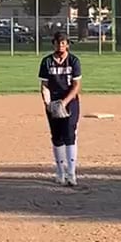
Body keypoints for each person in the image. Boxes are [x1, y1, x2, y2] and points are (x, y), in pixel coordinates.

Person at [39, 31, 82, 187]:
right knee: (57, 137)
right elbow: (44, 85)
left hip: (70, 101)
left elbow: (76, 86)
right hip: (54, 102)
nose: (60, 46)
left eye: (63, 43)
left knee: (69, 134)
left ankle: (71, 173)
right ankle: (60, 172)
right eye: (58, 43)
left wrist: (64, 103)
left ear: (67, 45)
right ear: (54, 44)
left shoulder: (73, 61)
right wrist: (48, 103)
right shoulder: (47, 62)